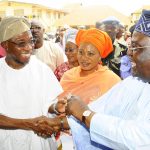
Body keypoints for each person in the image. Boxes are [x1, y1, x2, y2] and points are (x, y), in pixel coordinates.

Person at [35, 10, 150, 150]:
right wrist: (58, 123)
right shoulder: (135, 82)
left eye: (136, 47)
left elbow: (138, 139)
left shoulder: (114, 79)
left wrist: (85, 114)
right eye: (130, 46)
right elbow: (103, 109)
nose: (129, 53)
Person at [0, 16, 64, 150]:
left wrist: (56, 107)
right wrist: (29, 124)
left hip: (38, 142)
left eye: (31, 41)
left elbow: (48, 103)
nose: (29, 48)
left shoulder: (41, 69)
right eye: (21, 43)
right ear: (5, 45)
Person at [59, 28, 121, 104]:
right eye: (81, 52)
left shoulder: (112, 80)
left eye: (90, 54)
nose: (84, 58)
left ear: (100, 57)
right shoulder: (68, 76)